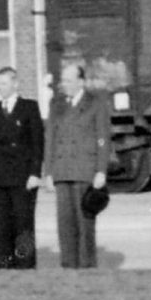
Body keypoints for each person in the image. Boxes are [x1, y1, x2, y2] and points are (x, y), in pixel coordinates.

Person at [43, 64, 112, 269]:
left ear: (81, 82)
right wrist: (48, 172)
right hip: (62, 170)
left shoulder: (95, 103)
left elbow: (102, 138)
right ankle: (68, 264)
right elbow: (51, 139)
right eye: (63, 81)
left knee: (85, 223)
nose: (64, 85)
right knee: (65, 224)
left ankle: (86, 265)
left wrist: (101, 169)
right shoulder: (56, 104)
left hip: (85, 169)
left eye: (69, 80)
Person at [0, 67, 44, 269]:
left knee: (23, 225)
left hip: (23, 177)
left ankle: (26, 266)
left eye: (5, 83)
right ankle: (5, 266)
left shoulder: (29, 107)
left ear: (15, 84)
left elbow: (37, 142)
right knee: (3, 226)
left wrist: (35, 172)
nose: (1, 88)